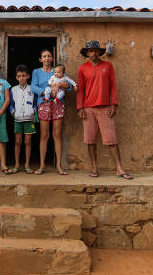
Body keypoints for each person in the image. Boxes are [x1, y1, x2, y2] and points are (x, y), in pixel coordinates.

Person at [76, 40, 133, 179]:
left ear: (99, 52)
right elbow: (80, 90)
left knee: (111, 139)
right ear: (87, 53)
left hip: (105, 107)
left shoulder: (108, 66)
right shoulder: (82, 68)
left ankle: (119, 169)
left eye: (96, 50)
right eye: (91, 51)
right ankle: (94, 168)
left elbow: (113, 86)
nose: (93, 53)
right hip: (88, 109)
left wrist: (114, 104)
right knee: (90, 140)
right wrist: (80, 107)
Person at [31, 49, 74, 175]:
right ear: (40, 59)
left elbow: (69, 85)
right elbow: (33, 86)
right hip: (44, 103)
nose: (46, 58)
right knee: (44, 135)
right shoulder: (36, 72)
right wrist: (46, 92)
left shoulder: (58, 70)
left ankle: (59, 165)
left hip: (57, 104)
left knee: (57, 134)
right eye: (44, 56)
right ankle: (42, 165)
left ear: (52, 58)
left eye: (49, 56)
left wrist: (60, 85)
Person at [10, 64, 37, 173]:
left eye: (24, 76)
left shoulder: (32, 89)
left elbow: (35, 102)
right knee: (18, 142)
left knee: (28, 142)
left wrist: (33, 110)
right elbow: (11, 103)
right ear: (16, 77)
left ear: (28, 76)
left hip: (29, 119)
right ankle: (16, 164)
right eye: (19, 76)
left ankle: (27, 164)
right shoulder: (13, 89)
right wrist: (13, 112)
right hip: (18, 119)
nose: (21, 78)